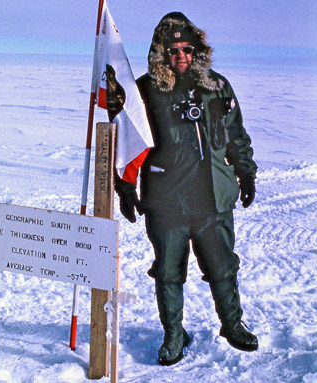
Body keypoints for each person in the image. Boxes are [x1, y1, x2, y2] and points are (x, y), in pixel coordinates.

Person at [108, 11, 259, 366]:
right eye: (173, 49)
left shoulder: (217, 86)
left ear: (198, 50)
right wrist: (125, 188)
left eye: (187, 49)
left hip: (212, 197)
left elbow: (236, 135)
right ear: (161, 51)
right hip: (167, 200)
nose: (181, 56)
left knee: (222, 266)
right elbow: (128, 144)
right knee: (168, 271)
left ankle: (232, 324)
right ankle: (174, 334)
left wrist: (246, 173)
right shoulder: (144, 91)